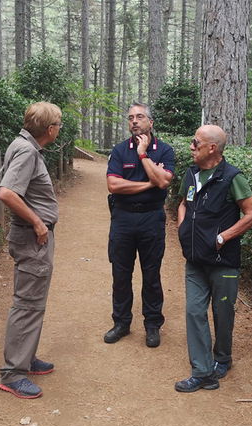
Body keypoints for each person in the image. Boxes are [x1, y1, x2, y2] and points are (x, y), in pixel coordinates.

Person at [174, 124, 252, 392]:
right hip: (195, 260)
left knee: (223, 313)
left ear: (212, 148)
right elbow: (182, 204)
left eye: (195, 142)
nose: (191, 147)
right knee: (193, 311)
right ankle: (201, 370)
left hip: (223, 262)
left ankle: (222, 357)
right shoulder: (190, 173)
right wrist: (182, 227)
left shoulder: (232, 177)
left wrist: (222, 237)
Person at [0, 102, 63, 399]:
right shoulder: (26, 151)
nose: (59, 129)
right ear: (49, 130)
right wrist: (37, 223)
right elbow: (7, 193)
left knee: (34, 301)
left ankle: (26, 358)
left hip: (33, 239)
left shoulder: (25, 146)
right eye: (58, 124)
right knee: (27, 303)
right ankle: (13, 373)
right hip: (31, 239)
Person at [104, 102, 175, 347]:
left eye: (140, 117)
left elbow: (164, 182)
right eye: (131, 117)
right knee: (120, 273)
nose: (134, 121)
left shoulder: (164, 151)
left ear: (150, 122)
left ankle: (152, 324)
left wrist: (143, 154)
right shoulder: (120, 150)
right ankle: (121, 322)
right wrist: (148, 184)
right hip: (122, 218)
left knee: (151, 273)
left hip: (151, 218)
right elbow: (114, 185)